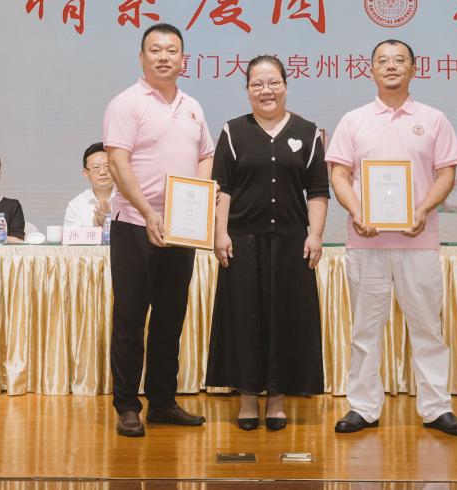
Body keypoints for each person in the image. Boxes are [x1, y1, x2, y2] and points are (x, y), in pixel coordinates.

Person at [326, 38, 457, 437]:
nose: (391, 66)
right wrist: (357, 211)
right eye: (383, 61)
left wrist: (422, 210)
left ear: (413, 68)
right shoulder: (353, 120)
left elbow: (446, 174)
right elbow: (339, 174)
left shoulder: (434, 119)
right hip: (366, 242)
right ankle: (363, 407)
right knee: (364, 330)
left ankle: (436, 407)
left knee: (427, 329)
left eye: (399, 60)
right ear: (371, 69)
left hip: (418, 242)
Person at [103, 23, 215, 437]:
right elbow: (118, 162)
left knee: (170, 319)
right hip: (136, 225)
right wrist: (149, 213)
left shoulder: (192, 106)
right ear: (142, 57)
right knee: (130, 320)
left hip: (181, 230)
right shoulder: (127, 103)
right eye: (155, 49)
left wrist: (198, 200)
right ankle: (127, 406)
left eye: (172, 50)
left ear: (183, 59)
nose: (164, 56)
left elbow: (206, 155)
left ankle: (163, 402)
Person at [206, 55, 330, 431]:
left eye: (273, 82)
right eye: (257, 84)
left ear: (286, 86)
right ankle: (247, 397)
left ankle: (277, 398)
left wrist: (315, 234)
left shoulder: (308, 132)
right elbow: (222, 188)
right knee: (243, 320)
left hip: (292, 242)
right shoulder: (233, 131)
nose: (266, 90)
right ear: (247, 90)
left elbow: (318, 191)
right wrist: (220, 232)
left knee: (286, 320)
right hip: (242, 241)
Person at [64, 142, 114, 228]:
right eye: (96, 167)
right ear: (86, 173)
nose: (102, 172)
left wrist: (110, 222)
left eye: (107, 166)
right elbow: (71, 236)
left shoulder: (129, 200)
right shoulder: (76, 205)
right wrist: (97, 226)